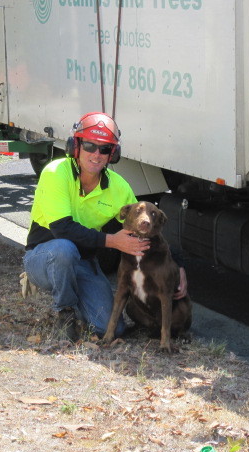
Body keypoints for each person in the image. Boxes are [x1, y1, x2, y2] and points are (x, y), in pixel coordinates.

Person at [23, 112, 188, 341]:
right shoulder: (55, 173)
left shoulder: (119, 187)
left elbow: (145, 228)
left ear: (114, 154)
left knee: (110, 328)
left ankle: (74, 290)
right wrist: (112, 241)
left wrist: (178, 265)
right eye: (90, 145)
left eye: (105, 149)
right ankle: (65, 311)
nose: (96, 154)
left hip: (84, 261)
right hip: (45, 254)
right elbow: (62, 229)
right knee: (63, 250)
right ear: (75, 146)